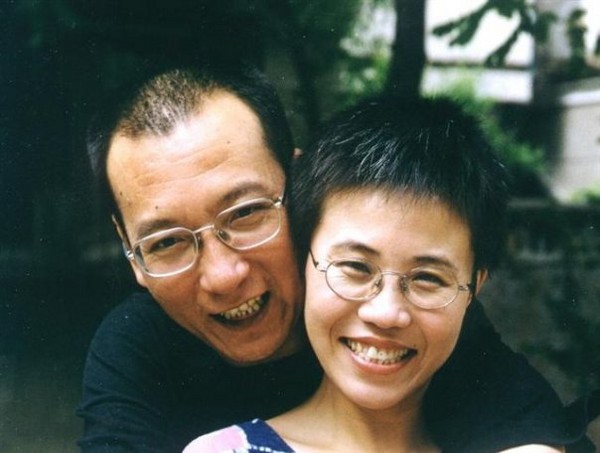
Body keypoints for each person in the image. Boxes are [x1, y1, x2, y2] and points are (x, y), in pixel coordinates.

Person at [77, 65, 590, 452]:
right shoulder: (139, 349)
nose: (223, 276)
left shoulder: (411, 315)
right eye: (166, 242)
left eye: (246, 213)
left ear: (300, 188)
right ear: (130, 252)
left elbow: (533, 429)